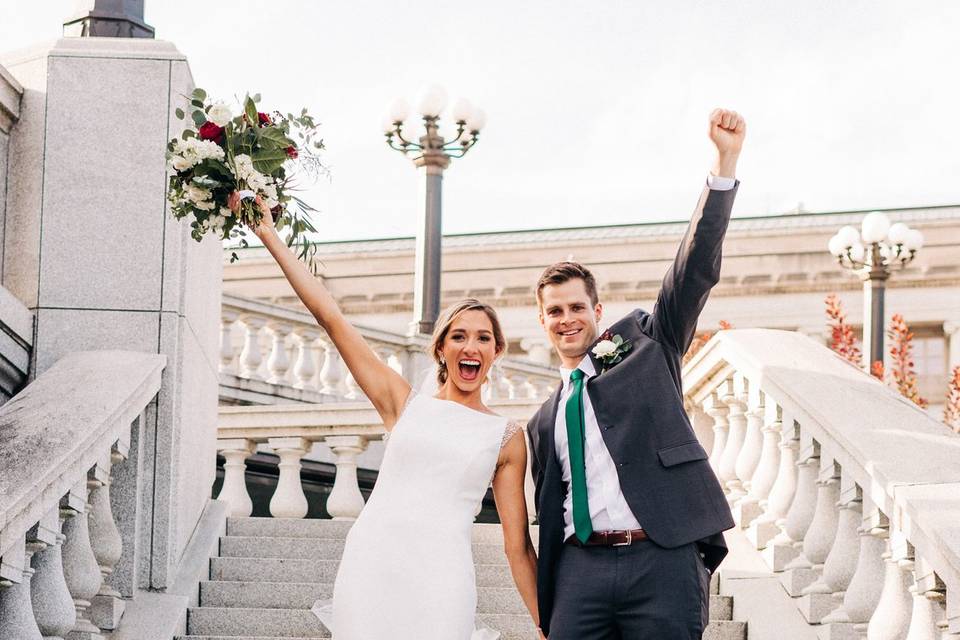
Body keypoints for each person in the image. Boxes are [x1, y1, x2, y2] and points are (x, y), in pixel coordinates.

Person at [233, 194, 541, 640]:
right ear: (441, 348)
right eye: (458, 336)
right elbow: (331, 317)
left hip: (443, 577)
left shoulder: (507, 437)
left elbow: (518, 546)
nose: (470, 347)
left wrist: (543, 622)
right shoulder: (403, 402)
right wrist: (267, 232)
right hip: (373, 564)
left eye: (483, 338)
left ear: (496, 351)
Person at [526, 108, 746, 639]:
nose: (567, 319)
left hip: (661, 557)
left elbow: (692, 271)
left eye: (577, 307)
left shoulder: (649, 345)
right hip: (580, 570)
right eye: (555, 311)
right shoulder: (543, 419)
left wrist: (724, 162)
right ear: (543, 322)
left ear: (597, 312)